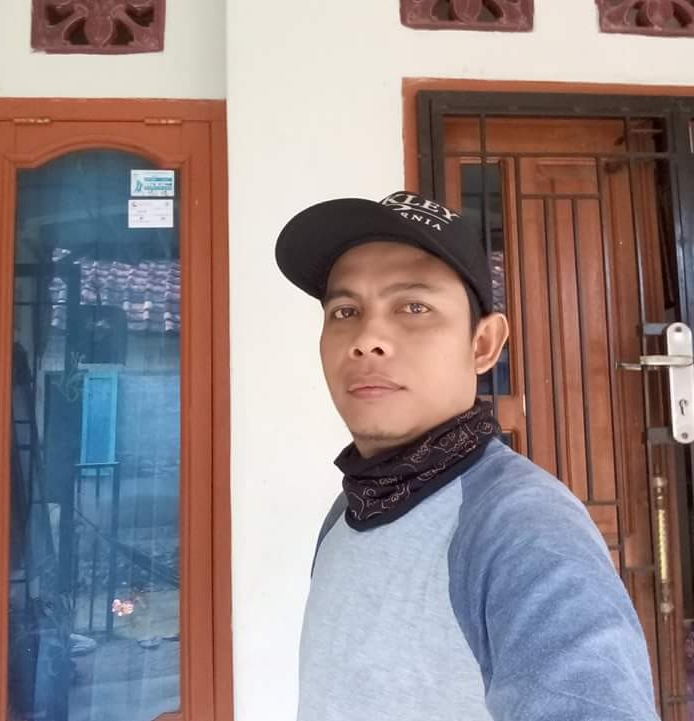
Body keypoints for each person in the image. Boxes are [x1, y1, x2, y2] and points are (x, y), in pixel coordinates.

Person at [275, 191, 660, 721]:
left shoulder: (523, 529)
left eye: (414, 307)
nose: (366, 338)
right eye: (345, 311)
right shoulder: (350, 509)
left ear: (483, 345)